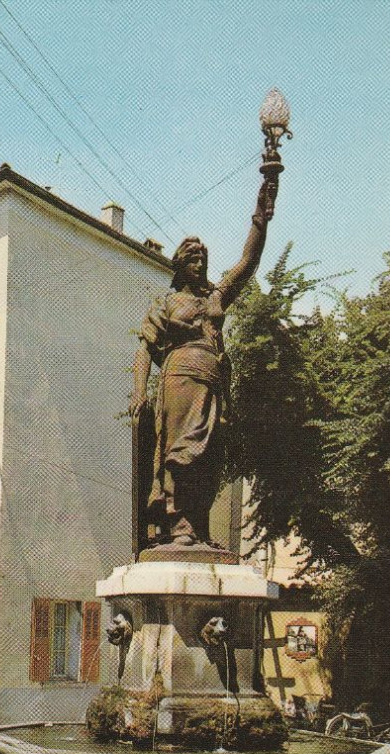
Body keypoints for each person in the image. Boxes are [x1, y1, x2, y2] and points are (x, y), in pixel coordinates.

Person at [130, 174, 280, 547]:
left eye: (203, 257)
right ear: (180, 263)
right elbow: (145, 350)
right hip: (179, 378)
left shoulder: (216, 296)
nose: (199, 261)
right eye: (192, 257)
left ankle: (198, 527)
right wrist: (138, 393)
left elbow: (248, 262)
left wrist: (262, 213)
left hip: (213, 382)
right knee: (182, 455)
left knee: (210, 460)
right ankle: (178, 525)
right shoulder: (166, 303)